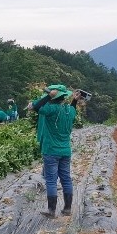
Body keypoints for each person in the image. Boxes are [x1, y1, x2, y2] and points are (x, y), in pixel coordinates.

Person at [31, 84, 83, 218]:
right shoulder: (69, 111)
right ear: (63, 97)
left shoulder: (50, 109)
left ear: (53, 97)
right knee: (66, 178)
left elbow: (36, 107)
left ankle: (51, 210)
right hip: (65, 151)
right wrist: (75, 100)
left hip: (51, 150)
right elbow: (72, 107)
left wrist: (48, 95)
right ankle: (67, 208)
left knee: (51, 180)